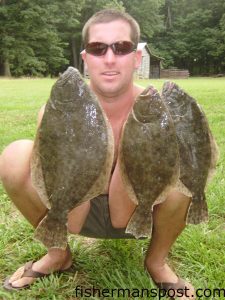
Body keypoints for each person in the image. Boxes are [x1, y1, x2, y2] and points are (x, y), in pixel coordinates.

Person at [0, 9, 195, 298]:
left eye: (122, 47)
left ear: (137, 57)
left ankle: (156, 262)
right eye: (98, 48)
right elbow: (74, 220)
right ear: (85, 58)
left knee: (187, 168)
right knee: (15, 155)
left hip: (140, 214)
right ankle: (58, 254)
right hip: (72, 212)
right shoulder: (59, 113)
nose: (110, 58)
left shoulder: (159, 113)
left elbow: (119, 217)